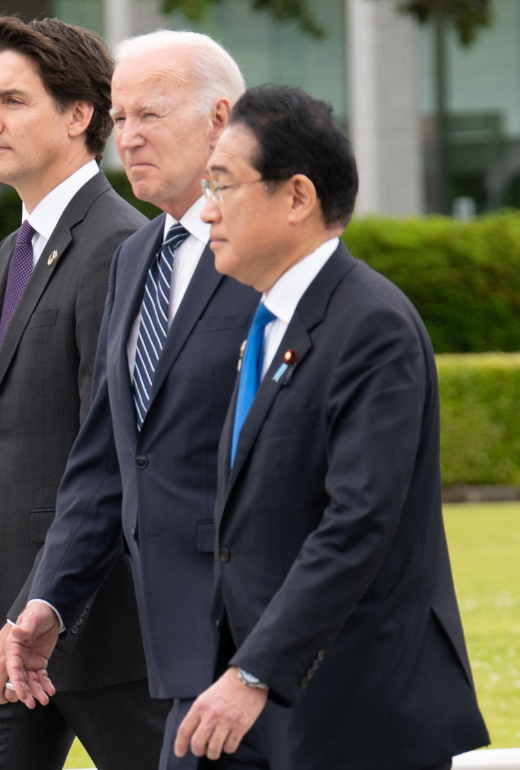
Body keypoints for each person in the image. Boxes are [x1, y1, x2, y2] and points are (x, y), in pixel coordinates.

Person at [169, 85, 490, 769]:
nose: (206, 209)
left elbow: (357, 522)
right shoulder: (266, 322)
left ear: (297, 197)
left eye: (223, 185)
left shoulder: (370, 324)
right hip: (255, 705)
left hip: (353, 712)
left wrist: (254, 673)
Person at [1, 30, 279, 770]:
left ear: (220, 119)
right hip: (170, 641)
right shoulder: (136, 256)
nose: (127, 137)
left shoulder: (276, 251)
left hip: (259, 638)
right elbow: (107, 458)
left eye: (148, 115)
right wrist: (49, 601)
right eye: (120, 118)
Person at [0, 16, 164, 770]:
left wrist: (46, 601)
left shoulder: (120, 245)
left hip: (102, 621)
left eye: (12, 100)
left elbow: (110, 445)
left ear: (80, 115)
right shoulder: (9, 253)